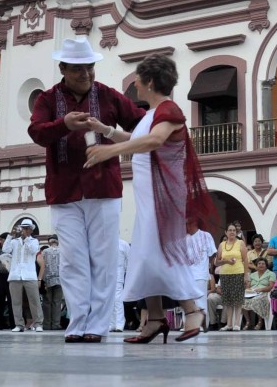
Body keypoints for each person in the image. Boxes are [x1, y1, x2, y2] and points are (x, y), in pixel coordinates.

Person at [84, 53, 216, 344]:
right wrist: (105, 131)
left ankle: (192, 310)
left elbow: (154, 141)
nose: (137, 88)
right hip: (148, 195)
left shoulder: (169, 110)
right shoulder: (153, 115)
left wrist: (108, 152)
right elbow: (138, 137)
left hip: (163, 196)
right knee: (145, 254)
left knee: (161, 252)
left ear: (151, 82)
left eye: (139, 83)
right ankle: (155, 318)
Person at [29, 36, 147, 344]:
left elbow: (141, 120)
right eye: (79, 69)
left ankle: (98, 325)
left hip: (104, 189)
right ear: (63, 68)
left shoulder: (108, 96)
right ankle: (77, 323)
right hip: (64, 191)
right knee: (72, 259)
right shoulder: (47, 99)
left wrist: (113, 133)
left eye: (90, 68)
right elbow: (37, 133)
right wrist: (64, 124)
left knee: (105, 259)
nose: (86, 74)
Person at [5, 220, 44, 332]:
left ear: (31, 229)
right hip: (15, 275)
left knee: (34, 301)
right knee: (16, 301)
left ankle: (38, 324)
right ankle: (19, 324)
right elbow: (5, 250)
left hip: (29, 275)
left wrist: (26, 238)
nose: (25, 230)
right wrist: (10, 236)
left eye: (27, 228)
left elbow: (33, 250)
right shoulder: (14, 241)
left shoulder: (34, 241)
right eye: (23, 228)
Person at [214, 224, 249, 331]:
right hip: (225, 274)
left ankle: (237, 323)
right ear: (226, 232)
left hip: (238, 273)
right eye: (230, 230)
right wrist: (226, 261)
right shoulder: (222, 245)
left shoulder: (240, 243)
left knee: (238, 300)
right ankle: (229, 324)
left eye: (234, 230)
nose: (232, 232)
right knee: (228, 300)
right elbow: (216, 262)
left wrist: (246, 275)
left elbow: (245, 259)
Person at [186, 220, 218, 331]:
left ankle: (201, 324)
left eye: (188, 223)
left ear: (194, 223)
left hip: (200, 274)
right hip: (187, 275)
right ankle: (189, 324)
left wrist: (209, 271)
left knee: (200, 300)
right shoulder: (185, 238)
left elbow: (212, 254)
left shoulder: (206, 236)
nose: (187, 226)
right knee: (189, 301)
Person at [242, 257, 276, 329]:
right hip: (252, 292)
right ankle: (248, 322)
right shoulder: (252, 275)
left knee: (257, 300)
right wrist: (248, 289)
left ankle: (260, 321)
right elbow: (248, 286)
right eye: (259, 264)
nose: (261, 265)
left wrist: (261, 289)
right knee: (242, 300)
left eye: (263, 264)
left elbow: (271, 287)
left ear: (266, 265)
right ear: (256, 265)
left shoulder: (271, 274)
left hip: (265, 293)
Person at [41, 235, 63, 330]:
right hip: (60, 279)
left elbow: (41, 265)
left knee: (46, 302)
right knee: (57, 303)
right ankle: (56, 324)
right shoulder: (63, 251)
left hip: (47, 279)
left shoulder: (44, 252)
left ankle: (46, 324)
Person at [111, 238, 129, 332]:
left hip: (118, 274)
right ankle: (111, 324)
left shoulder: (123, 244)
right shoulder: (105, 243)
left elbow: (129, 258)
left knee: (117, 299)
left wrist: (125, 271)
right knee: (109, 300)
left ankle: (119, 324)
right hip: (107, 274)